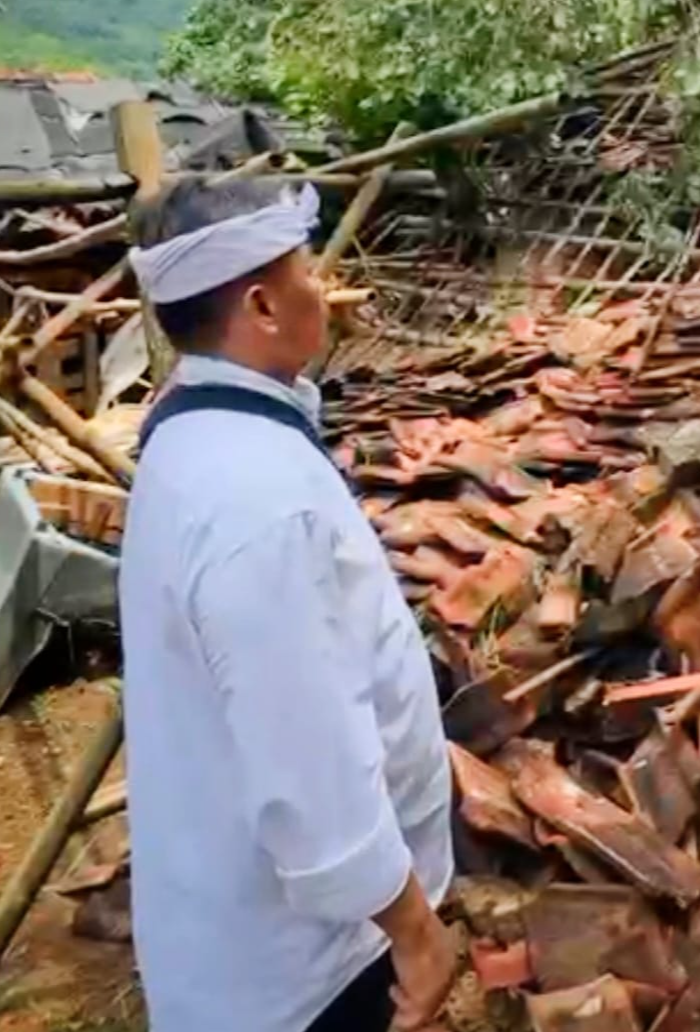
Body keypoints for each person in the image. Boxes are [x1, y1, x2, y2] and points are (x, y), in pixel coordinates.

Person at [119, 178, 456, 1032]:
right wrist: (414, 932)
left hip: (256, 930)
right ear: (262, 305)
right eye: (306, 270)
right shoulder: (259, 502)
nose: (324, 288)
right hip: (310, 972)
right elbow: (312, 770)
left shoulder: (196, 437)